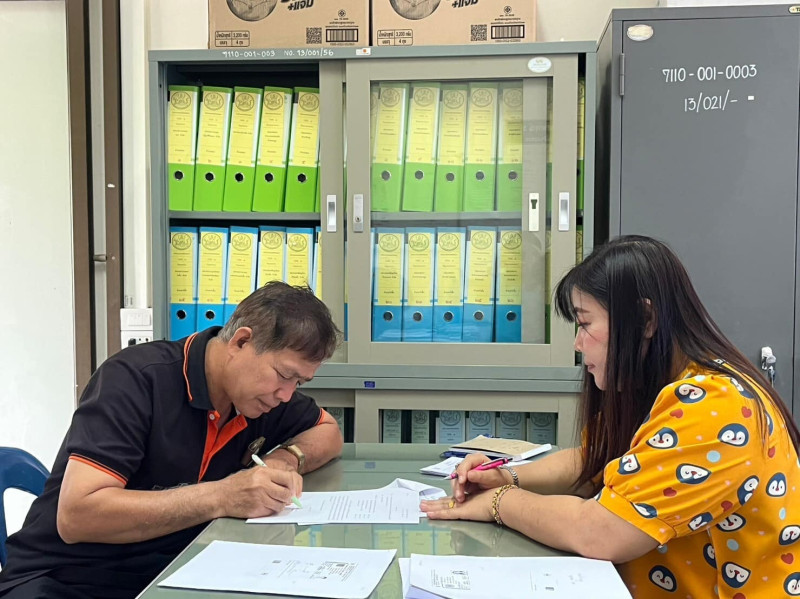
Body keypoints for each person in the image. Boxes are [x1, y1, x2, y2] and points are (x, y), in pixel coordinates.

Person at [422, 235, 800, 598]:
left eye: (585, 324)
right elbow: (596, 461)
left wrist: (499, 502)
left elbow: (601, 532)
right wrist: (505, 476)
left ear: (645, 319)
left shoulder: (713, 404)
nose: (577, 343)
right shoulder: (660, 388)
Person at [0, 281, 344, 599]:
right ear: (241, 342)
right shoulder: (135, 380)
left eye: (299, 383)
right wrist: (224, 496)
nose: (287, 395)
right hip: (68, 579)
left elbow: (328, 431)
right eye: (284, 375)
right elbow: (78, 516)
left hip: (171, 572)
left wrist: (284, 460)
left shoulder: (260, 397)